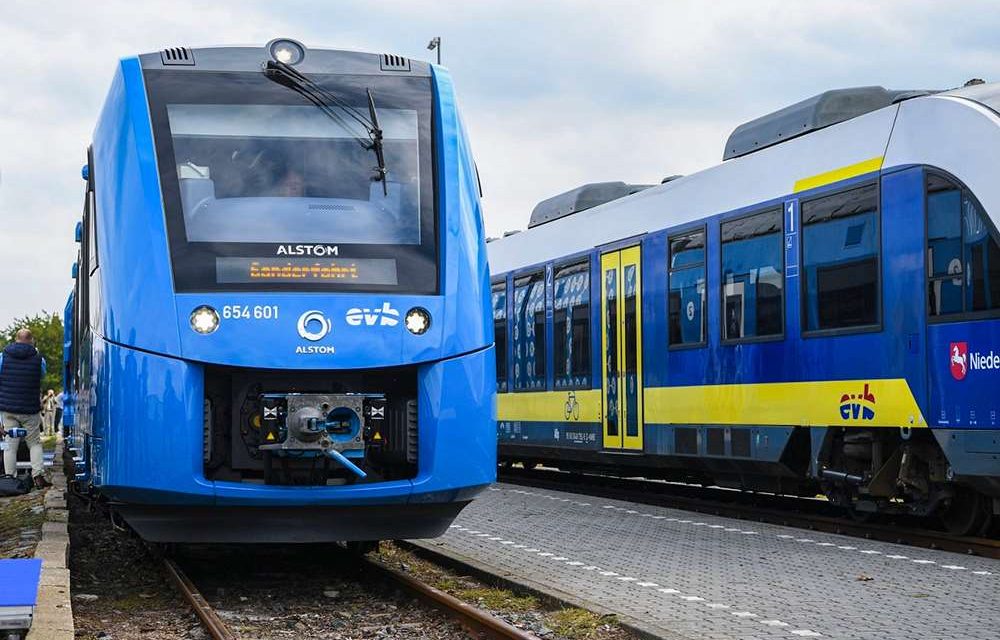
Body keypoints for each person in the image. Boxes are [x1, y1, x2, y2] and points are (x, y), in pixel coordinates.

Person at [0, 328, 49, 488]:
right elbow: (42, 375)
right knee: (34, 443)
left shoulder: (3, 356)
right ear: (31, 340)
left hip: (8, 409)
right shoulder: (38, 358)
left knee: (9, 444)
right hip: (30, 409)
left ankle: (10, 478)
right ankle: (38, 476)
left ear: (15, 339)